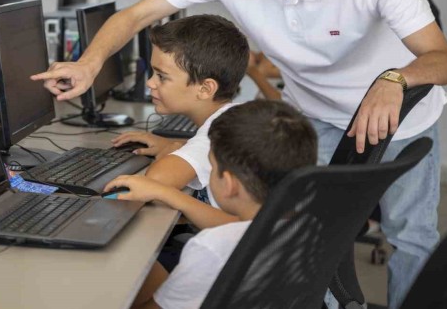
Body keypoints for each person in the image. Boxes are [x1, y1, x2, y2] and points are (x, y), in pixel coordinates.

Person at [32, 0, 447, 308]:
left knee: (410, 234)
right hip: (310, 113)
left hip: (395, 113)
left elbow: (444, 59)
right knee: (297, 231)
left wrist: (394, 79)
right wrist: (88, 64)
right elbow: (136, 15)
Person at [109, 100, 316, 308]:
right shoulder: (309, 227)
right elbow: (235, 226)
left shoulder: (212, 247)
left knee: (124, 263)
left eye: (212, 167)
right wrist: (166, 193)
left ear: (229, 184)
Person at [110, 15, 248, 226]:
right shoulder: (233, 118)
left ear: (205, 89)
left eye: (161, 76)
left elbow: (157, 180)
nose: (150, 83)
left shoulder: (219, 133)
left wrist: (171, 152)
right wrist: (176, 145)